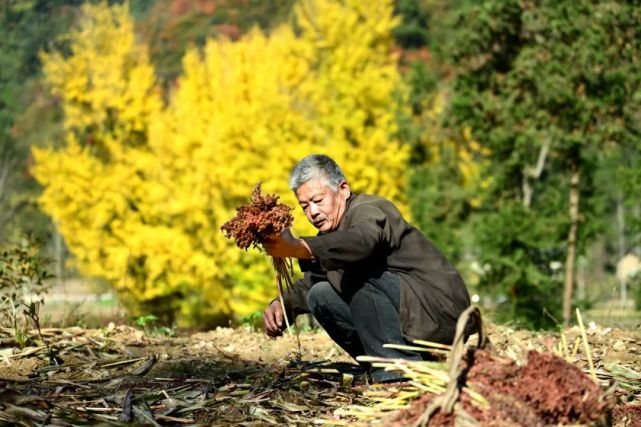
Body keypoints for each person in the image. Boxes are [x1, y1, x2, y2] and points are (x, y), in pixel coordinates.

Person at [262, 154, 472, 383]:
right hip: (411, 315)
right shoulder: (331, 235)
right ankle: (389, 362)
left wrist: (300, 247)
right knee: (320, 295)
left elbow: (362, 242)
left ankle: (395, 373)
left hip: (439, 312)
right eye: (305, 206)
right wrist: (282, 304)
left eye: (318, 200)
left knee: (355, 275)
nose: (312, 212)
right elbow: (313, 281)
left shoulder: (370, 209)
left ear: (343, 189)